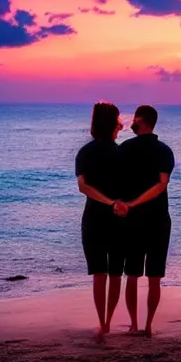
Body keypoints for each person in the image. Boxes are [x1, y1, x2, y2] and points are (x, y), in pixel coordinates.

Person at [114, 105, 175, 338]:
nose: (131, 123)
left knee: (132, 274)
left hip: (133, 218)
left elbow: (116, 181)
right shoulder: (164, 151)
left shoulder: (125, 149)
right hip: (159, 218)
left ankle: (134, 324)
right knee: (154, 277)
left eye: (134, 119)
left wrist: (127, 204)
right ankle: (148, 325)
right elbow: (161, 185)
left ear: (140, 120)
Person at [75, 101, 126, 343]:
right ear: (112, 122)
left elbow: (83, 187)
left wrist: (105, 202)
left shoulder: (85, 152)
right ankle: (107, 321)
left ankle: (103, 322)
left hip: (94, 217)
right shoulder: (121, 153)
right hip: (119, 216)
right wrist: (117, 203)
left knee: (100, 273)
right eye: (118, 118)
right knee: (114, 272)